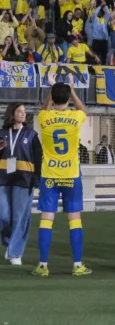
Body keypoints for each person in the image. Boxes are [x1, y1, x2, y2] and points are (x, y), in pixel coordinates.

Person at [33, 72, 91, 277]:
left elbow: (43, 109)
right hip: (71, 174)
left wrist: (52, 88)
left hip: (49, 175)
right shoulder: (75, 117)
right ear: (68, 99)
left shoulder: (44, 117)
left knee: (46, 219)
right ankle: (77, 265)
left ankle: (43, 265)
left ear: (52, 97)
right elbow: (82, 109)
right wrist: (71, 89)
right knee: (74, 219)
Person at [0, 103, 42, 265]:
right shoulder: (2, 134)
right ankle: (9, 242)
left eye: (24, 111)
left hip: (24, 180)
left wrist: (37, 177)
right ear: (12, 113)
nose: (23, 114)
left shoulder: (31, 134)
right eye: (19, 111)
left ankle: (15, 252)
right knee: (3, 215)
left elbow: (38, 156)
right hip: (3, 179)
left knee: (20, 217)